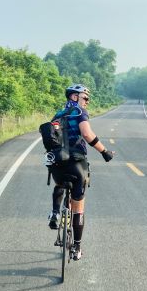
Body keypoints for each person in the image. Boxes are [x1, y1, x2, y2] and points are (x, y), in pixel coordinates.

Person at [48, 84, 114, 261]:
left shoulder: (58, 114)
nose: (87, 101)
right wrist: (104, 151)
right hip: (77, 163)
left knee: (59, 183)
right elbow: (86, 133)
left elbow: (51, 138)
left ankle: (55, 212)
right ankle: (77, 247)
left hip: (57, 163)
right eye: (85, 97)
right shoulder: (79, 112)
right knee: (79, 207)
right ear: (74, 97)